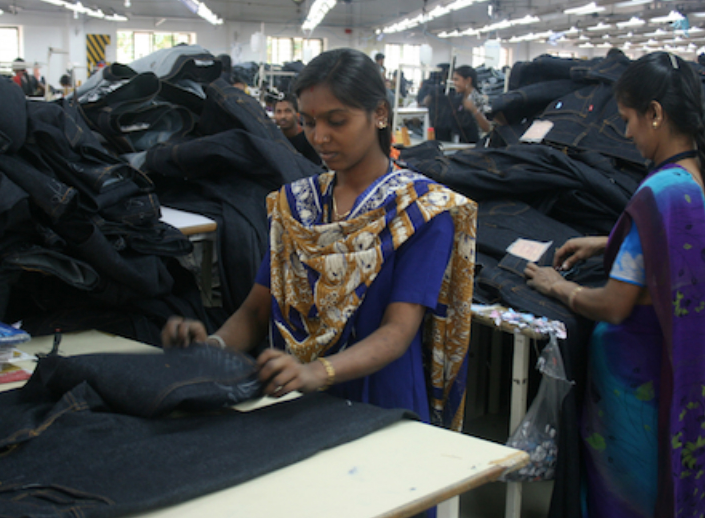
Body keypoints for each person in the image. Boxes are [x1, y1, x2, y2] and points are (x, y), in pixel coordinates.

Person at [162, 47, 476, 430]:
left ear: (379, 113)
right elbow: (256, 311)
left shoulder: (420, 211)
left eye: (336, 121)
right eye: (309, 122)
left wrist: (316, 372)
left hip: (382, 405)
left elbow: (397, 332)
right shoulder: (296, 207)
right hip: (298, 401)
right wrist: (211, 349)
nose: (320, 137)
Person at [523, 52, 705, 518]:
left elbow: (614, 305)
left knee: (625, 506)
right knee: (663, 492)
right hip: (676, 376)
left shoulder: (660, 191)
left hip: (634, 388)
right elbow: (679, 251)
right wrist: (610, 240)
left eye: (629, 120)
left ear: (656, 113)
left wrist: (560, 287)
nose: (627, 134)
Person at [272, 94, 322, 165]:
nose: (283, 116)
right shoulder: (273, 139)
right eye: (279, 112)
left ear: (297, 114)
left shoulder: (308, 139)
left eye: (288, 111)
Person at [451, 65, 491, 138]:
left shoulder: (478, 99)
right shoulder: (460, 98)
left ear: (468, 80)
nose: (454, 83)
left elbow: (487, 128)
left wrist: (474, 109)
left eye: (456, 80)